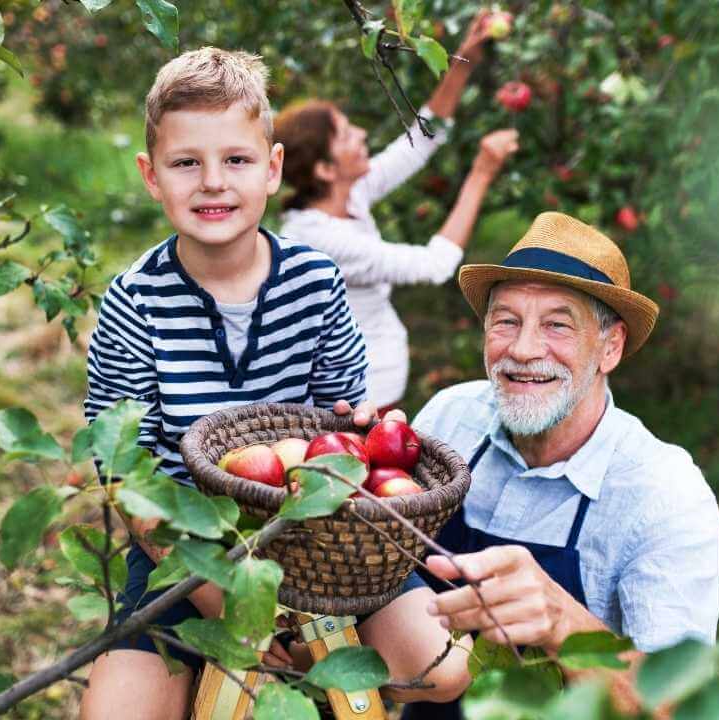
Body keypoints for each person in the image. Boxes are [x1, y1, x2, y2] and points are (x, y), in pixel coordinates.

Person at [80, 47, 469, 719]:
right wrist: (231, 607)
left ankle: (326, 685)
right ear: (151, 176)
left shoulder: (315, 284)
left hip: (322, 538)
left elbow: (343, 441)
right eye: (184, 163)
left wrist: (365, 429)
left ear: (273, 167)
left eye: (236, 160)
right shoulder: (133, 303)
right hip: (185, 548)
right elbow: (129, 477)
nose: (212, 183)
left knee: (442, 668)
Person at [404, 211, 719, 717]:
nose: (524, 349)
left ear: (610, 347)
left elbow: (678, 706)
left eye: (557, 325)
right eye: (506, 321)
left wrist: (562, 622)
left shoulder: (664, 493)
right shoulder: (450, 416)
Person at [275, 11, 519, 410]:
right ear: (324, 168)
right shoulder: (319, 241)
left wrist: (463, 58)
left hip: (374, 386)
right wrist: (482, 172)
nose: (363, 134)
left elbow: (422, 140)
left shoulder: (345, 196)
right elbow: (434, 265)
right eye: (346, 133)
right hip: (356, 402)